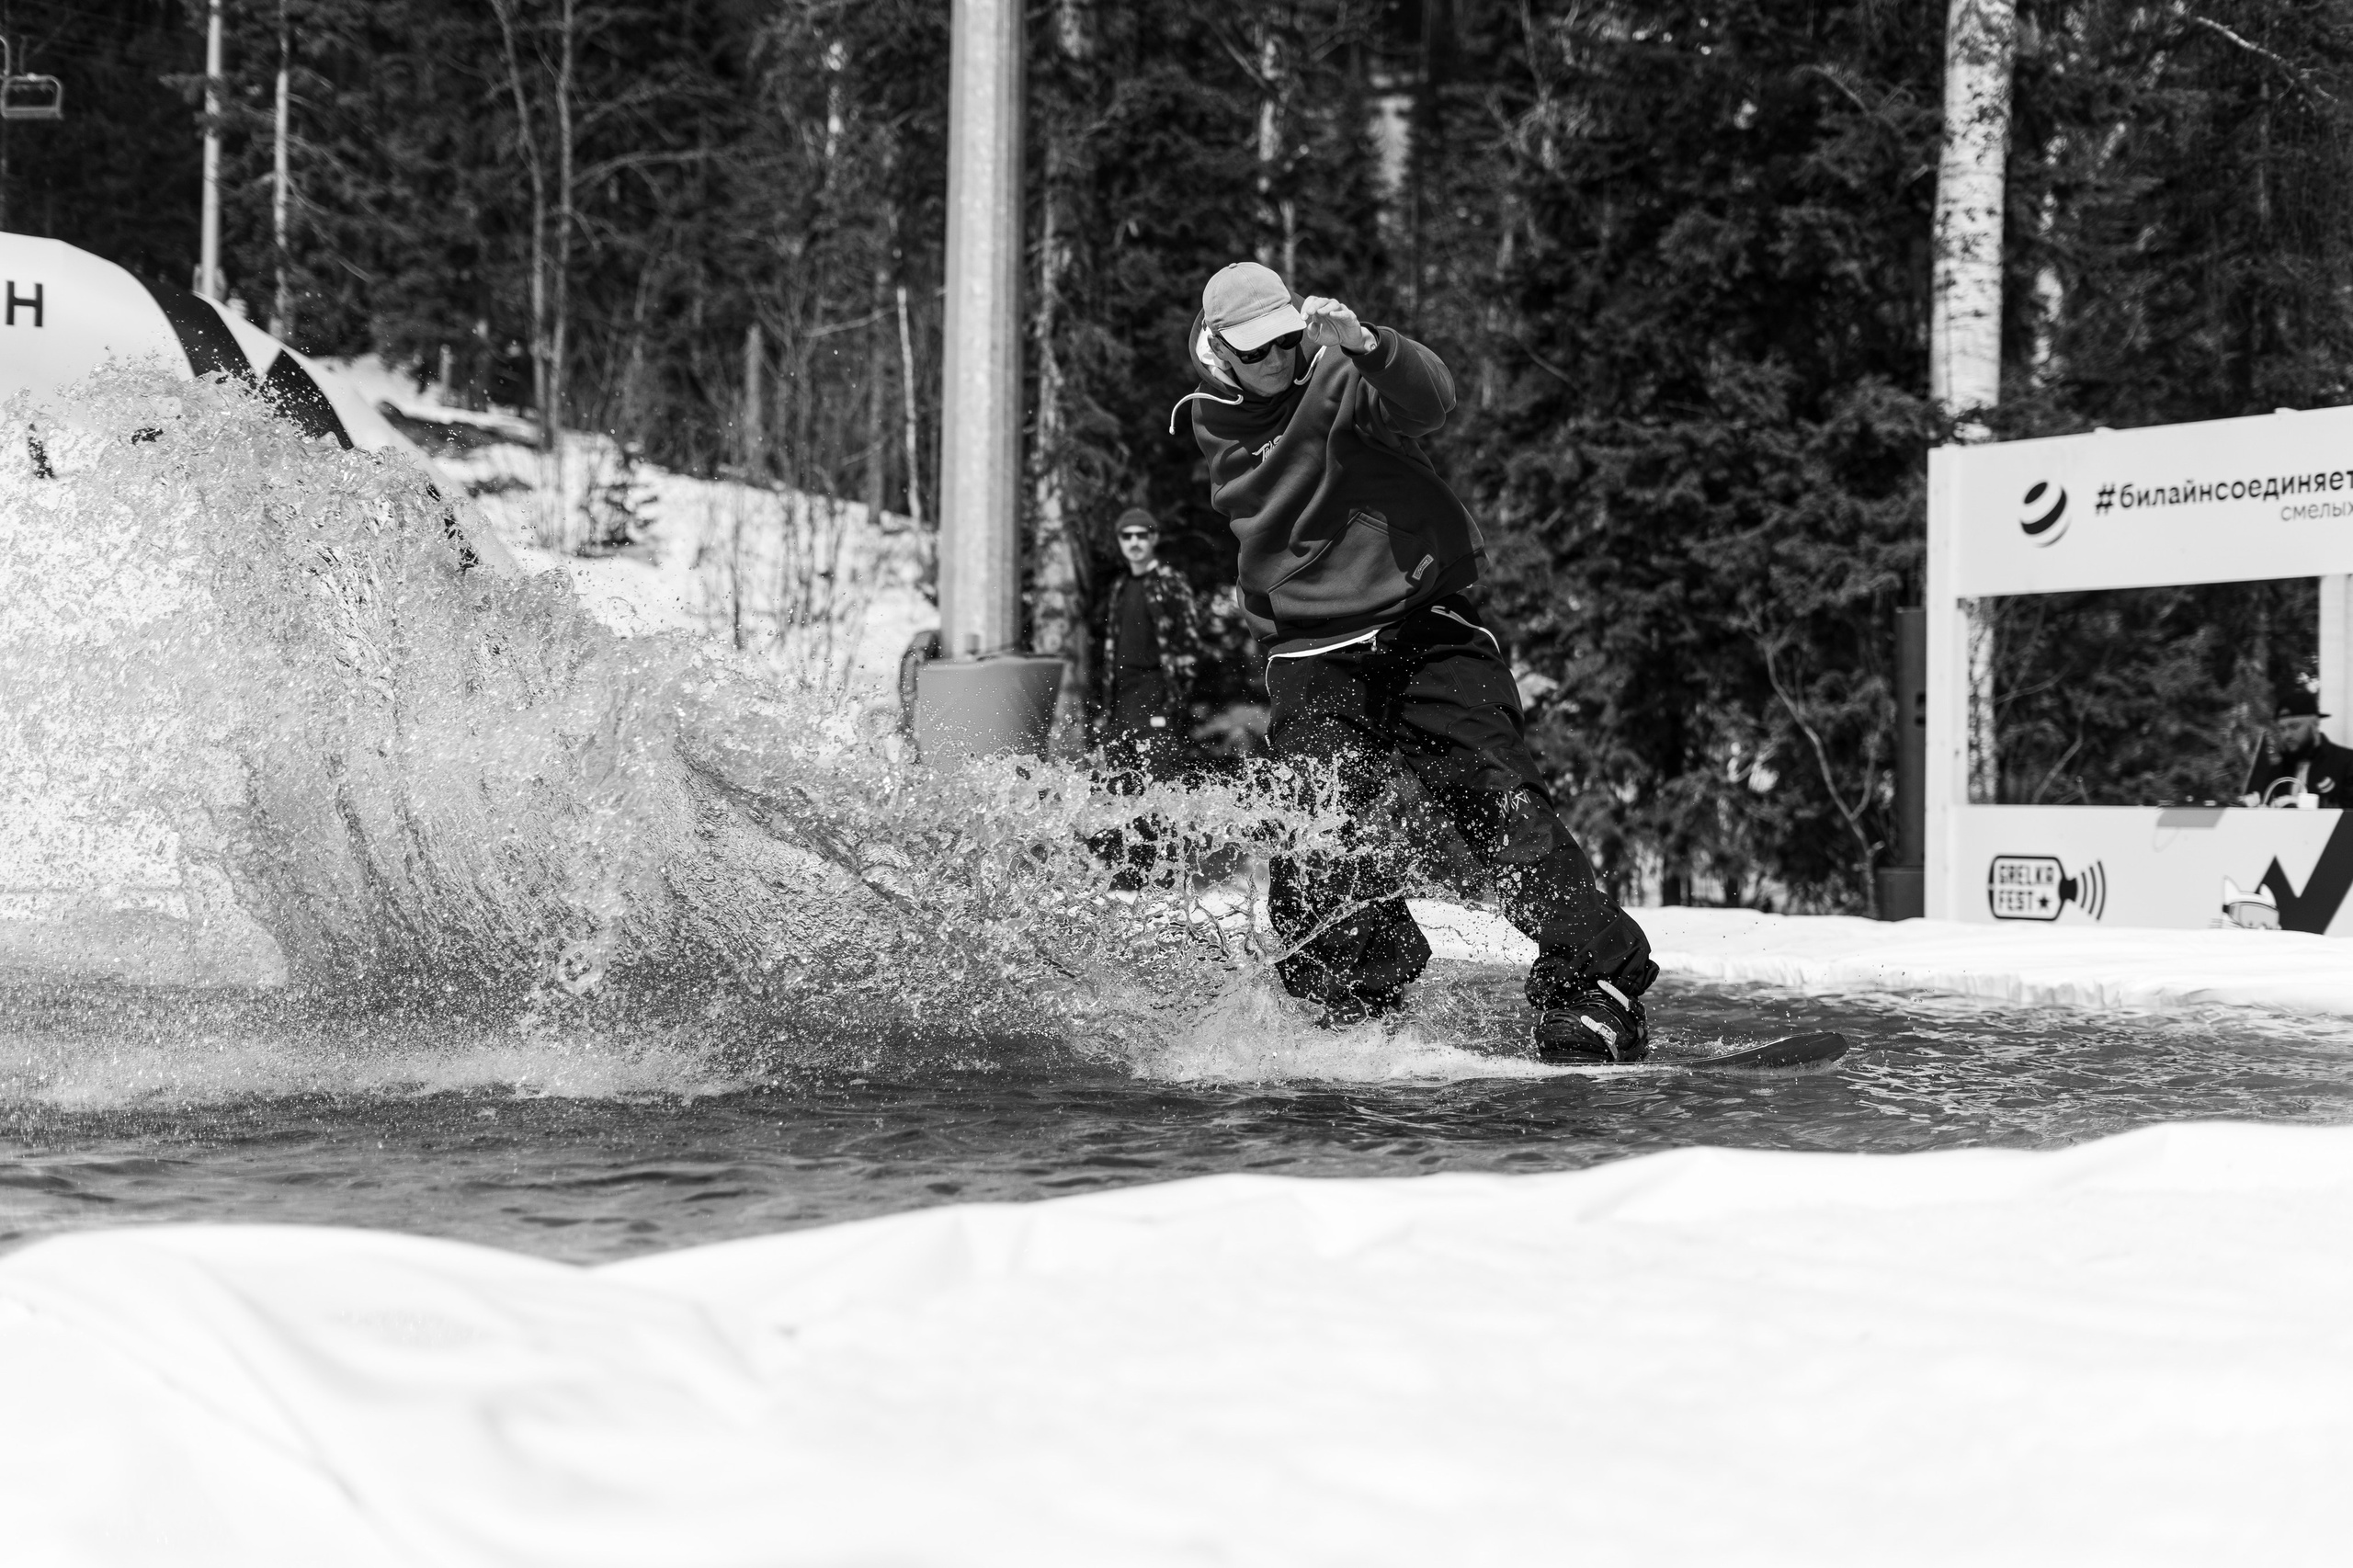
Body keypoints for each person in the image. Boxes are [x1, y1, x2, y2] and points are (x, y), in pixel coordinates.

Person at [1170, 260, 1657, 1060]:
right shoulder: (1211, 417)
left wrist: (1366, 344)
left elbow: (1432, 401)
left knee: (1497, 799)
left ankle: (1591, 989)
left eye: (1286, 343)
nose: (1278, 362)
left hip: (1423, 624)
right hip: (1311, 649)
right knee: (1322, 832)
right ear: (1218, 350)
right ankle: (1353, 1005)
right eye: (1256, 353)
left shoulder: (1338, 371)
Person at [1091, 507, 1203, 779]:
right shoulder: (1119, 586)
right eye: (1127, 536)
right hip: (1120, 705)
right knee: (1118, 794)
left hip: (1156, 700)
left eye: (1141, 535)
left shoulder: (1171, 583)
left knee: (1160, 789)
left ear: (1154, 539)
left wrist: (1174, 701)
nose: (1134, 542)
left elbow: (1189, 647)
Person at [2242, 688, 2352, 809]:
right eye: (2282, 729)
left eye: (2294, 726)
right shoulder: (2277, 771)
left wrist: (2308, 804)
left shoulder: (2346, 763)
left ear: (2315, 724)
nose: (2287, 735)